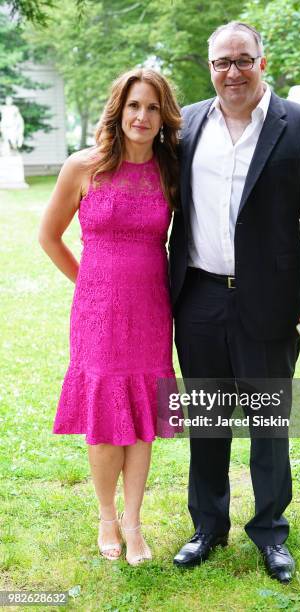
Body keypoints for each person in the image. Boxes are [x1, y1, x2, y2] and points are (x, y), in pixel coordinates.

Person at [169, 22, 300, 582]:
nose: (232, 72)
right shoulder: (187, 124)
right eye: (222, 62)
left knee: (269, 422)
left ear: (262, 64)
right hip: (197, 297)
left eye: (243, 60)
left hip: (270, 302)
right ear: (210, 67)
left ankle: (270, 533)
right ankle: (208, 527)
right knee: (208, 418)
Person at [38, 68, 181, 566]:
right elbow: (49, 236)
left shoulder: (170, 168)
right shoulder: (84, 166)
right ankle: (106, 517)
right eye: (134, 106)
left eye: (152, 107)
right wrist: (88, 285)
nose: (142, 116)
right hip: (97, 313)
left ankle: (135, 521)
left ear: (163, 117)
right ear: (118, 110)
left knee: (142, 420)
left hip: (150, 310)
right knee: (104, 421)